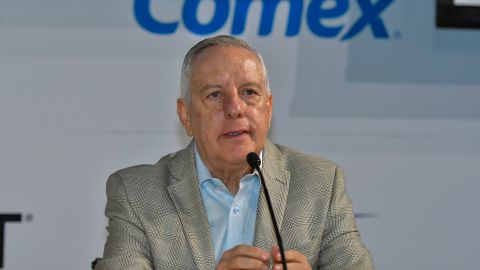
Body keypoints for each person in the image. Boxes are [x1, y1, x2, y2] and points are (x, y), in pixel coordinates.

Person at [95, 35, 374, 270]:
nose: (234, 108)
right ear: (186, 116)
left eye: (249, 92)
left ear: (268, 108)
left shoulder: (319, 183)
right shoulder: (136, 193)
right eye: (215, 94)